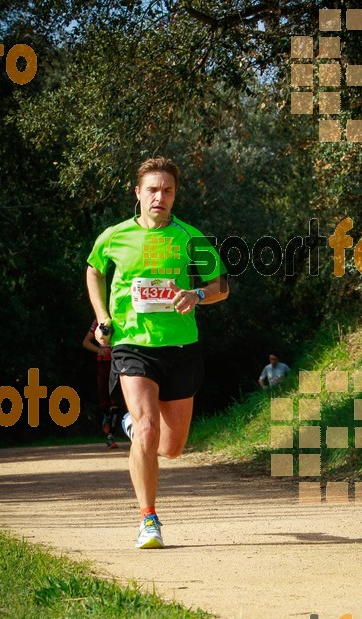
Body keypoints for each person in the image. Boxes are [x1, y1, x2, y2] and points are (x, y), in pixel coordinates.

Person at [86, 156, 228, 548]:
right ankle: (149, 520)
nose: (159, 197)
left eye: (167, 190)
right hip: (133, 345)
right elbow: (94, 270)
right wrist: (102, 316)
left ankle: (131, 427)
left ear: (174, 195)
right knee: (149, 428)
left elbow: (221, 286)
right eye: (152, 189)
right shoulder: (115, 236)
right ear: (138, 193)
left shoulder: (190, 238)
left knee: (172, 447)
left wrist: (197, 294)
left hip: (181, 348)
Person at [82, 319, 121, 449]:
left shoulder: (120, 316)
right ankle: (106, 419)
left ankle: (111, 436)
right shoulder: (98, 321)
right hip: (103, 364)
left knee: (116, 400)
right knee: (104, 401)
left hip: (118, 363)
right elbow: (86, 342)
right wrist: (99, 350)